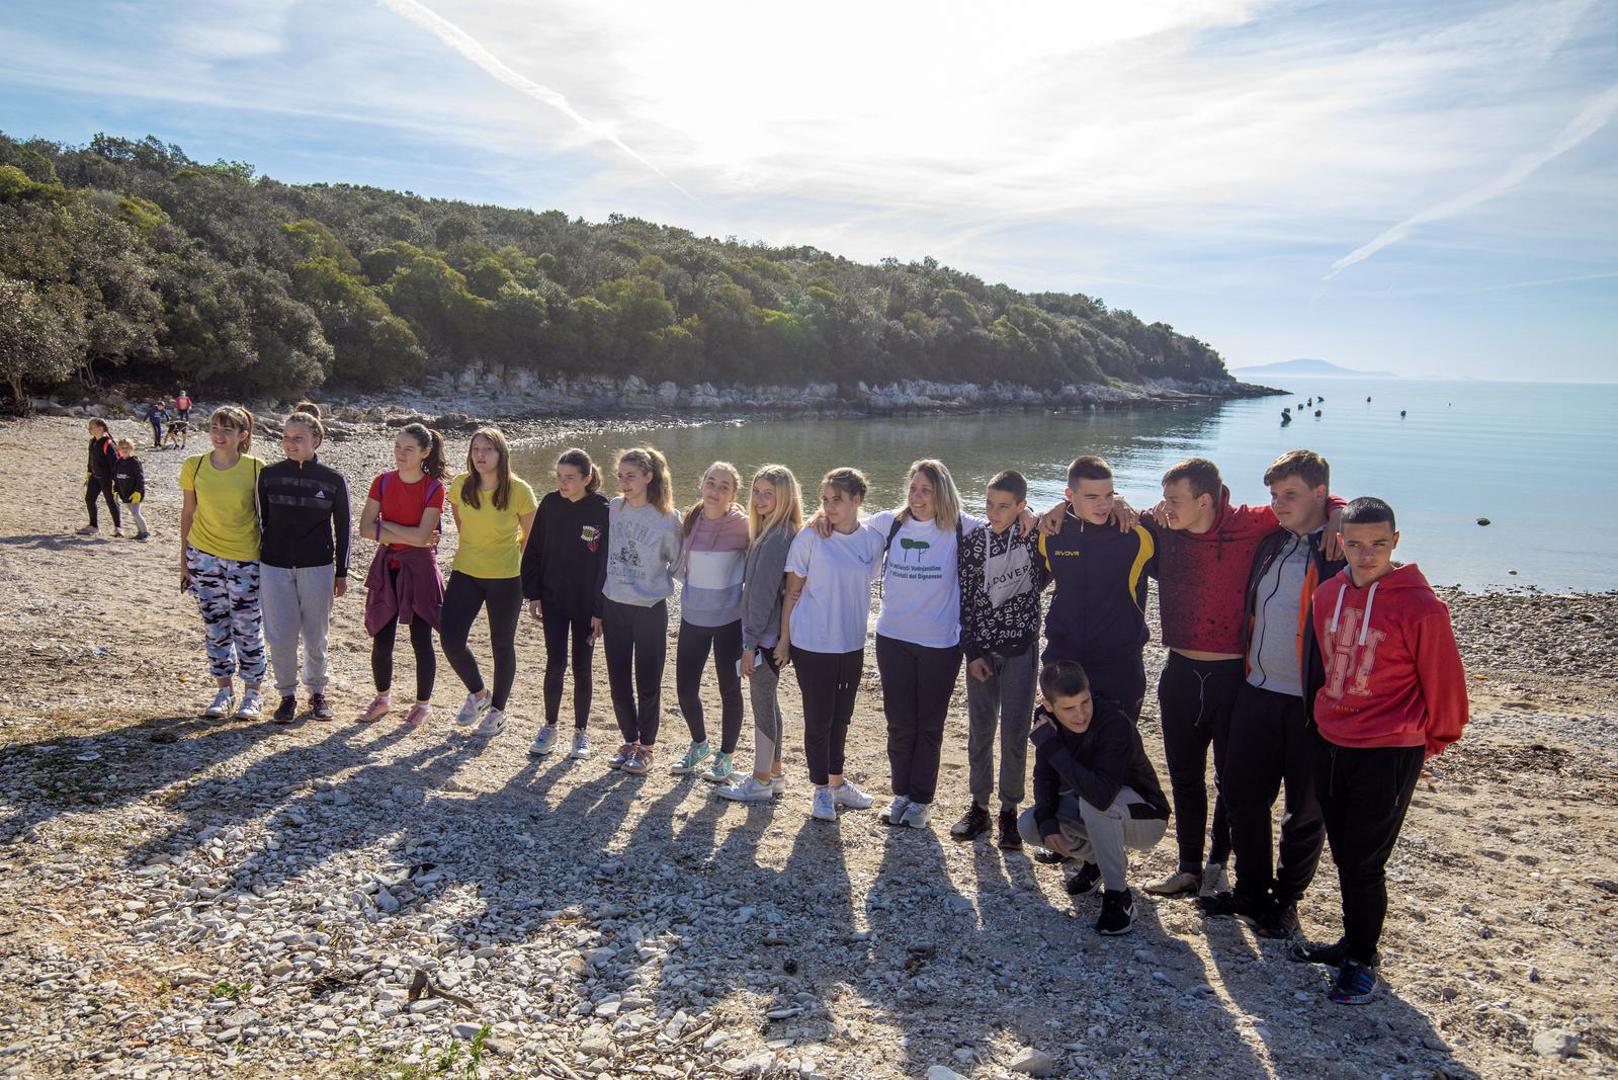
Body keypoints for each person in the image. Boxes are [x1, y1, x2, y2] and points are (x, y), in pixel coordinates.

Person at [1296, 497, 1468, 1004]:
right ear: (1340, 543)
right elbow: (1328, 666)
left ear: (1395, 542)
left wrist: (1429, 739)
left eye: (1376, 544)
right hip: (1331, 740)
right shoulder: (1327, 594)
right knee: (1346, 851)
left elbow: (1445, 684)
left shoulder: (1423, 606)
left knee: (1365, 860)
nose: (1365, 554)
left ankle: (1362, 961)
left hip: (1389, 748)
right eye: (1354, 544)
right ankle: (1352, 940)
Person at [1200, 450, 1345, 939]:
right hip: (1257, 690)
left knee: (1304, 811)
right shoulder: (1271, 542)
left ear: (1321, 495)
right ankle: (1251, 889)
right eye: (1274, 495)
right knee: (1241, 795)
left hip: (1311, 703)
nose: (1279, 504)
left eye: (1291, 495)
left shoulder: (1338, 549)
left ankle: (1287, 900)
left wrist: (1340, 514)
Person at [1020, 660, 1171, 935]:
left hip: (1146, 817)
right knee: (1031, 824)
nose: (1080, 715)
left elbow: (1101, 795)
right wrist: (1047, 820)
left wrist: (1052, 745)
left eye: (1085, 702)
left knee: (1095, 804)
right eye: (1069, 708)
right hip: (1095, 806)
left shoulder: (1114, 723)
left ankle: (1119, 898)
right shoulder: (1046, 719)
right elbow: (1045, 775)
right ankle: (1098, 863)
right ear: (1049, 705)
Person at [776, 468, 883, 822]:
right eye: (825, 499)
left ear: (857, 500)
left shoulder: (872, 540)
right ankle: (820, 790)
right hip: (812, 643)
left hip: (851, 643)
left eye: (837, 499)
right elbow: (792, 593)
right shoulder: (810, 537)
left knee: (842, 718)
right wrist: (784, 641)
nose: (829, 506)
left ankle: (837, 782)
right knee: (819, 719)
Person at [952, 469, 1049, 849]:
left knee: (1013, 733)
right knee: (980, 730)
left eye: (1004, 506)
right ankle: (979, 805)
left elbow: (1074, 514)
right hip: (981, 653)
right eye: (990, 504)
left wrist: (1037, 517)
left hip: (1021, 650)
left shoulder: (1035, 536)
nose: (994, 511)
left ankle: (1009, 809)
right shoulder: (975, 543)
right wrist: (972, 652)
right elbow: (966, 600)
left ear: (1021, 506)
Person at [1037, 456, 1155, 720]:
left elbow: (1177, 522)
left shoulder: (1135, 533)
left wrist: (1121, 501)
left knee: (1116, 750)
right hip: (1063, 657)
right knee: (1062, 746)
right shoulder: (1051, 532)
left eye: (1109, 494)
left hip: (1119, 662)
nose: (1103, 504)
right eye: (1092, 497)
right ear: (1069, 495)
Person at [441, 427, 537, 738]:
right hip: (466, 572)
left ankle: (498, 711)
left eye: (488, 450)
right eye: (476, 449)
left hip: (507, 578)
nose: (480, 455)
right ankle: (479, 694)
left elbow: (530, 538)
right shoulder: (460, 485)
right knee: (451, 640)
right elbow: (460, 523)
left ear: (501, 454)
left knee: (501, 645)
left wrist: (513, 562)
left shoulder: (519, 490)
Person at [257, 406, 349, 724]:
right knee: (281, 635)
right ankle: (286, 696)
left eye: (299, 438)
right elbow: (263, 521)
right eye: (286, 437)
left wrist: (342, 572)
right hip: (274, 566)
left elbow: (344, 528)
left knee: (315, 634)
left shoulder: (333, 480)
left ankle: (317, 693)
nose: (291, 443)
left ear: (317, 440)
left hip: (318, 566)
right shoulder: (268, 475)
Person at [719, 464, 803, 803]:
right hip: (765, 636)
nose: (760, 499)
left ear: (785, 498)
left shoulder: (776, 539)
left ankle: (760, 780)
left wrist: (748, 644)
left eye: (769, 493)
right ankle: (774, 770)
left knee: (762, 708)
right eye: (756, 491)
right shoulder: (771, 532)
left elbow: (762, 596)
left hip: (763, 639)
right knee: (769, 703)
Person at [178, 406, 267, 719]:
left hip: (245, 559)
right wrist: (184, 562)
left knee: (247, 627)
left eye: (227, 429)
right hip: (203, 556)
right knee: (215, 627)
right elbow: (188, 514)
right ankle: (224, 691)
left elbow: (263, 518)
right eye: (215, 427)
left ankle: (253, 694)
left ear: (242, 435)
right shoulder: (195, 465)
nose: (219, 434)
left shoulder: (256, 468)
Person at [357, 424, 448, 727]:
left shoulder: (435, 488)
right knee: (382, 636)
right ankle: (382, 699)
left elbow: (424, 537)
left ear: (425, 452)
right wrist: (409, 534)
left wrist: (387, 528)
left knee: (421, 640)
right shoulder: (381, 482)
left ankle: (423, 705)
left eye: (408, 449)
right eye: (397, 447)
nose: (400, 454)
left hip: (420, 568)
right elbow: (364, 529)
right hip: (388, 566)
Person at [522, 448, 609, 760]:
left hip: (586, 606)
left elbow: (605, 564)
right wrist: (533, 593)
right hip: (554, 600)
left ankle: (581, 733)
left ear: (586, 478)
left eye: (570, 478)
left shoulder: (602, 508)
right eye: (559, 477)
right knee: (555, 663)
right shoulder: (549, 503)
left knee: (582, 668)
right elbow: (532, 550)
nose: (563, 483)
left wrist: (600, 610)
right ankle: (549, 726)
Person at [601, 447, 683, 777]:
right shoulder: (613, 509)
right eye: (620, 476)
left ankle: (646, 747)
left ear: (649, 477)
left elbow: (678, 566)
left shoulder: (667, 518)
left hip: (649, 609)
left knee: (648, 682)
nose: (623, 482)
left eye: (630, 476)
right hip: (614, 606)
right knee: (618, 680)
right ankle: (628, 741)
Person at [670, 462, 751, 782]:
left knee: (729, 689)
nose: (715, 491)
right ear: (701, 484)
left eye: (724, 486)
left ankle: (726, 756)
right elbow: (677, 563)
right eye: (711, 483)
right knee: (685, 689)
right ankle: (700, 744)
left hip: (730, 621)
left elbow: (771, 547)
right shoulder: (688, 519)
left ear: (733, 493)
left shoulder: (744, 526)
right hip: (692, 618)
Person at [78, 419, 122, 537]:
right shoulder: (92, 442)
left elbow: (114, 464)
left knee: (111, 501)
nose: (89, 429)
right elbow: (90, 459)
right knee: (89, 499)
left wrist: (116, 481)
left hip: (107, 478)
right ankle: (93, 526)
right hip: (95, 476)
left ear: (100, 428)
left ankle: (118, 528)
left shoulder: (108, 443)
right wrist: (88, 473)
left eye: (91, 427)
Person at [112, 438, 150, 540]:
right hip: (125, 491)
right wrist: (115, 490)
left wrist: (138, 491)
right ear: (118, 449)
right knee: (132, 512)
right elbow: (116, 478)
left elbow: (140, 478)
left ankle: (145, 532)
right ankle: (140, 531)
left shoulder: (134, 462)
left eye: (127, 447)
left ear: (131, 448)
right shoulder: (118, 463)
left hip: (135, 492)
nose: (124, 449)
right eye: (122, 448)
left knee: (136, 512)